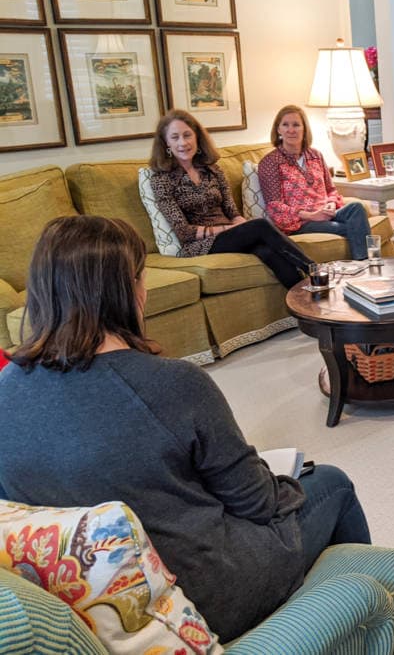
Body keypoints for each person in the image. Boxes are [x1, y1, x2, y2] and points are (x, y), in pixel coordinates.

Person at [0, 215, 371, 640]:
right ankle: (361, 613)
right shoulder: (173, 383)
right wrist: (285, 484)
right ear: (131, 290)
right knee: (331, 484)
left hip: (95, 605)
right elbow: (258, 503)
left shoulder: (4, 390)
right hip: (202, 595)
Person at [149, 109, 312, 288]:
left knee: (266, 252)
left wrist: (240, 224)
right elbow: (184, 232)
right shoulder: (162, 179)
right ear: (166, 143)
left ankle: (309, 297)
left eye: (187, 135)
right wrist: (233, 228)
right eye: (175, 137)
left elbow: (232, 211)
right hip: (198, 245)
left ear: (196, 137)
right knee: (259, 225)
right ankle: (315, 270)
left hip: (230, 235)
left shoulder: (212, 170)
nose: (183, 143)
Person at [258, 105, 372, 260]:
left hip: (327, 213)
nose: (291, 130)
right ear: (278, 130)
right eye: (285, 125)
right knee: (351, 228)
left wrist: (331, 204)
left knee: (356, 208)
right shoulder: (270, 162)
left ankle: (363, 266)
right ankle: (364, 265)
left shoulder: (315, 155)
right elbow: (275, 206)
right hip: (301, 222)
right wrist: (312, 216)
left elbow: (331, 190)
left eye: (296, 125)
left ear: (304, 129)